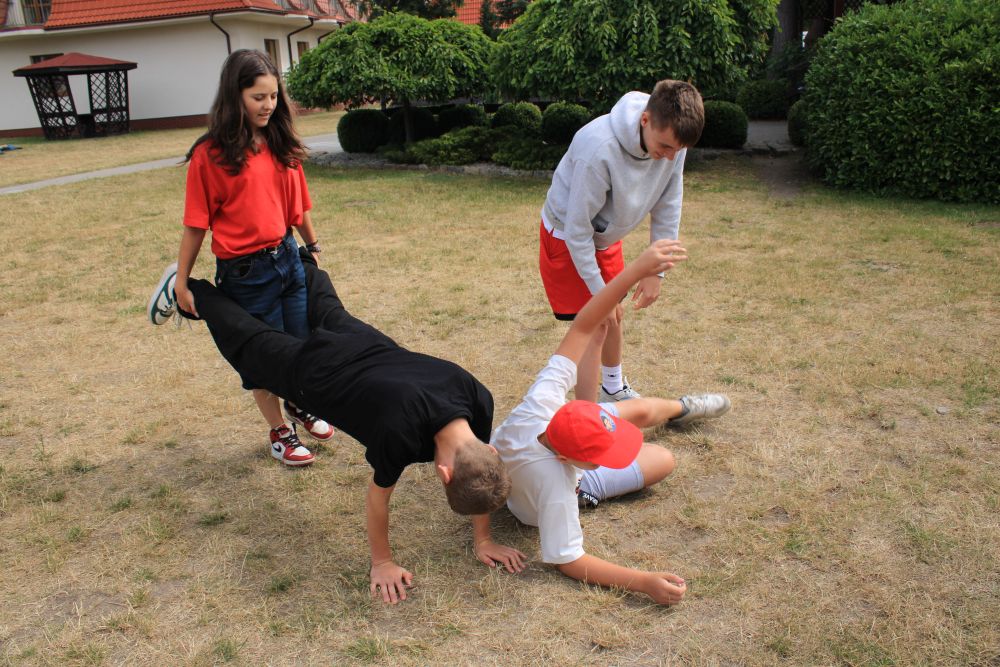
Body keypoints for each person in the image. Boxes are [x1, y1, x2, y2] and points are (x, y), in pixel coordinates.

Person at [147, 249, 524, 604]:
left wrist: (484, 540)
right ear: (443, 473)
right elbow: (378, 499)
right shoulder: (402, 434)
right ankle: (188, 289)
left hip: (367, 344)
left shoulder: (478, 398)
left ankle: (296, 257)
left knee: (326, 304)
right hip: (316, 375)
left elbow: (481, 475)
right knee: (251, 342)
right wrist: (382, 562)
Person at [475, 239, 730, 606]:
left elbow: (582, 326)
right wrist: (643, 582)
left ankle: (681, 408)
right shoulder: (558, 486)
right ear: (569, 461)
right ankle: (657, 425)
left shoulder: (540, 405)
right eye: (600, 456)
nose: (609, 455)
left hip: (557, 446)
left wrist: (634, 273)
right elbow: (568, 560)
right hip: (554, 488)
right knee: (662, 459)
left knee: (638, 410)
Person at [150, 49, 332, 467]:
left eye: (273, 96)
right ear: (236, 96)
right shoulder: (211, 155)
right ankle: (280, 432)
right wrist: (182, 282)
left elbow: (299, 206)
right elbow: (196, 224)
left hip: (287, 257)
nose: (268, 105)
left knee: (300, 344)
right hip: (246, 274)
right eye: (258, 97)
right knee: (263, 356)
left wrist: (312, 246)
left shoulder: (280, 141)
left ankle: (298, 403)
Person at [539, 80, 705, 403]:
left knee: (614, 315)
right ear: (645, 120)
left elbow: (669, 203)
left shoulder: (674, 140)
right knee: (596, 325)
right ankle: (586, 417)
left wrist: (656, 273)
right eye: (665, 147)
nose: (670, 158)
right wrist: (599, 293)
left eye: (678, 150)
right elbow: (577, 231)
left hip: (605, 235)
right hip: (567, 237)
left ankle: (612, 389)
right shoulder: (597, 149)